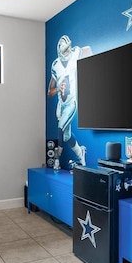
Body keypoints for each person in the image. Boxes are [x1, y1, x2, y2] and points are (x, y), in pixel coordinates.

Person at [47, 35, 91, 166]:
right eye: (64, 50)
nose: (67, 52)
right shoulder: (55, 65)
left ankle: (57, 157)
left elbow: (87, 49)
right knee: (66, 136)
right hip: (61, 104)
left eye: (68, 49)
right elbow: (50, 92)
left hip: (72, 102)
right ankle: (80, 153)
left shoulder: (76, 53)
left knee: (60, 127)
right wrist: (58, 88)